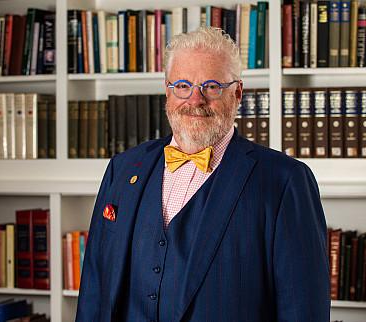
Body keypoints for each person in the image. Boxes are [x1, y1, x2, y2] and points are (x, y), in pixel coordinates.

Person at [76, 27, 330, 322]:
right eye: (182, 85)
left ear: (237, 94)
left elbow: (303, 311)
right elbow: (94, 289)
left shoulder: (284, 181)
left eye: (211, 86)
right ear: (167, 90)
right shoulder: (122, 169)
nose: (195, 100)